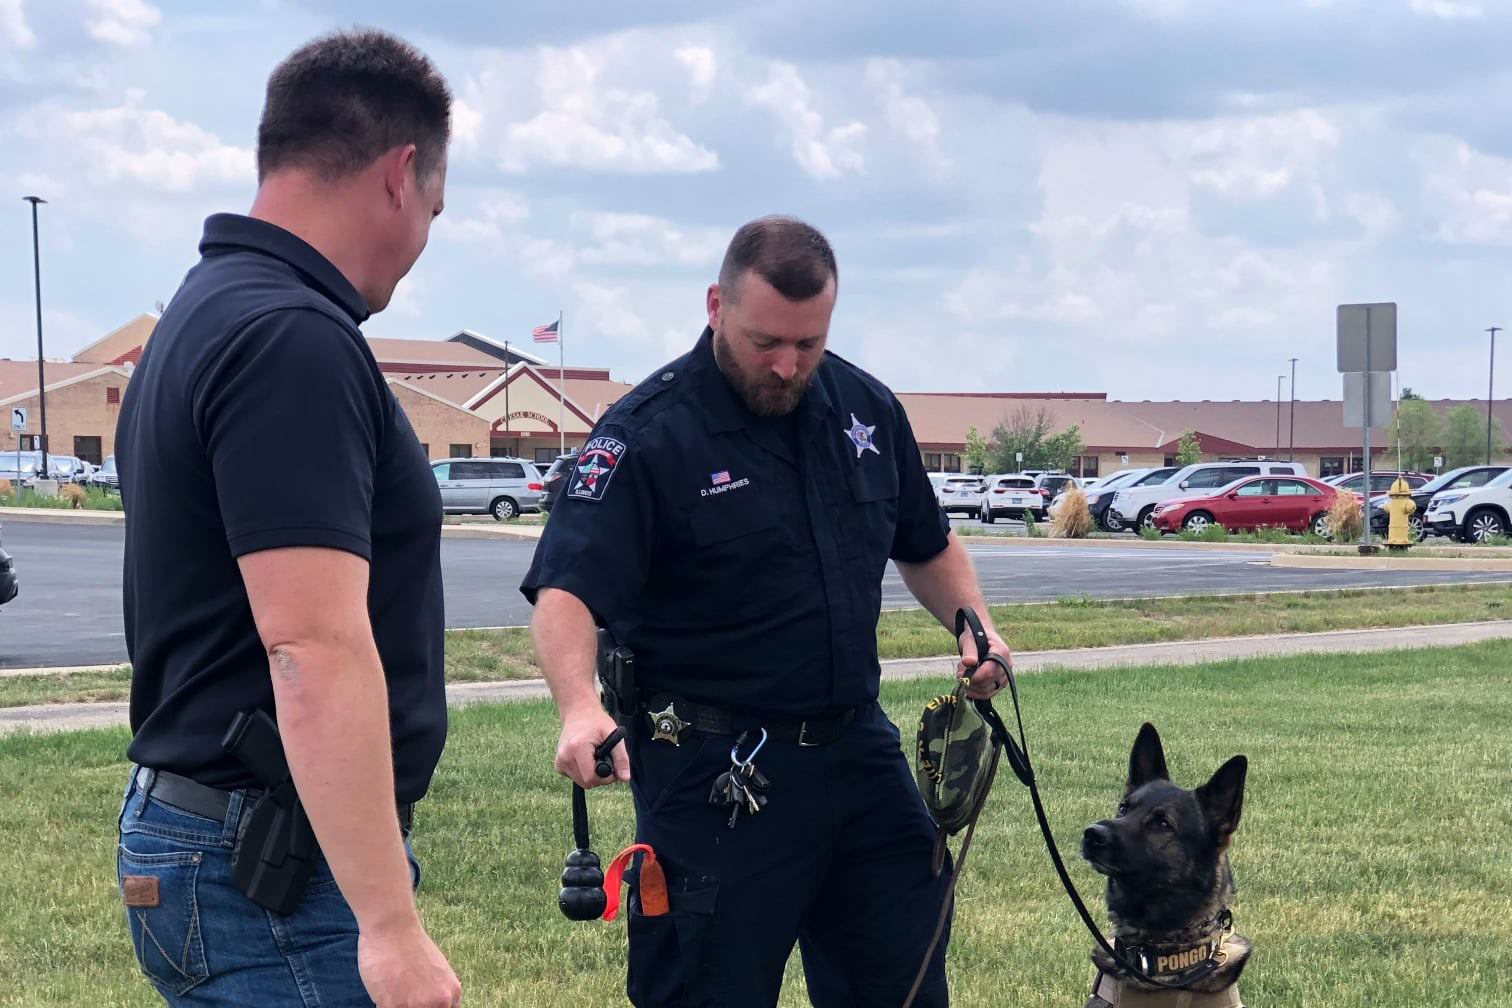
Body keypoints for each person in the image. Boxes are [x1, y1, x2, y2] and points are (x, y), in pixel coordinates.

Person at [522, 216, 1012, 1007]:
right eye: (766, 343)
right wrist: (579, 708)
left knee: (906, 970)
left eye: (808, 344)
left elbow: (926, 543)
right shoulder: (650, 434)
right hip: (715, 767)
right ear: (716, 304)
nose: (787, 366)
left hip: (853, 749)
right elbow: (566, 590)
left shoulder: (864, 411)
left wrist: (976, 624)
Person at [114, 30, 461, 1008]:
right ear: (399, 174)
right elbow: (308, 645)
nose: (425, 238)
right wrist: (390, 931)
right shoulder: (291, 340)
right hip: (264, 862)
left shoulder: (208, 308)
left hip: (215, 838)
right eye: (434, 208)